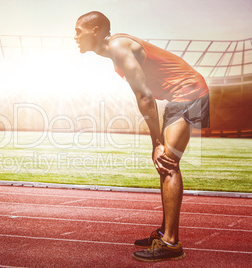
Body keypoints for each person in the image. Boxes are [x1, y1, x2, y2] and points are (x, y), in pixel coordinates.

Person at [74, 11, 210, 262]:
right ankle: (164, 231)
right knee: (164, 165)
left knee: (168, 163)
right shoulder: (116, 51)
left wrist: (156, 144)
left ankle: (171, 243)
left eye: (78, 31)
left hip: (189, 90)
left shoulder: (118, 46)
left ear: (95, 31)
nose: (75, 37)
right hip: (179, 93)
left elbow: (145, 96)